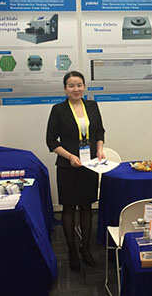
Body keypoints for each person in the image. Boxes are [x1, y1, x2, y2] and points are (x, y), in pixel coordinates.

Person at [46, 71, 105, 272]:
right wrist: (70, 156)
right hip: (67, 166)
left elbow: (100, 132)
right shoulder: (58, 110)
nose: (76, 89)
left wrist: (99, 149)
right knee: (69, 208)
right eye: (71, 85)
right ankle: (71, 250)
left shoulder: (92, 106)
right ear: (65, 89)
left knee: (87, 207)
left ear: (84, 86)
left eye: (79, 85)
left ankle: (85, 248)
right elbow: (51, 141)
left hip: (89, 165)